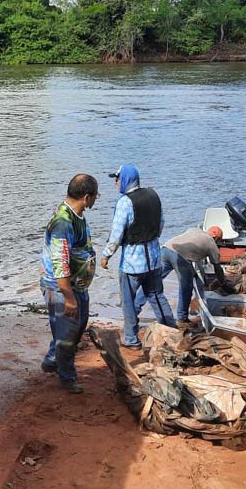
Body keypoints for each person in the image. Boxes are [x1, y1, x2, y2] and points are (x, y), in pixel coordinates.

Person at [100, 164, 174, 350]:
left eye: (117, 179)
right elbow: (161, 223)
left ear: (125, 179)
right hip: (154, 258)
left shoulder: (125, 202)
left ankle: (131, 339)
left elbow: (116, 234)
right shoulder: (153, 196)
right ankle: (171, 332)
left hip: (132, 263)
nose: (116, 183)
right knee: (157, 296)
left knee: (128, 302)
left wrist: (106, 255)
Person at [40, 174, 98, 394]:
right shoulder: (64, 223)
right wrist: (69, 297)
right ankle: (67, 377)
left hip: (77, 285)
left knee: (77, 326)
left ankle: (52, 360)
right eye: (96, 196)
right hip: (62, 287)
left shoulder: (77, 215)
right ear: (86, 197)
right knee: (68, 334)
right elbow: (60, 263)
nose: (96, 199)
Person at [153, 226, 227, 328]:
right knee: (186, 287)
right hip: (179, 256)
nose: (217, 243)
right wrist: (223, 283)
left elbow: (190, 251)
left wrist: (196, 275)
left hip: (165, 249)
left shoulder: (195, 230)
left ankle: (135, 307)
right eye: (219, 240)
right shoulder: (211, 243)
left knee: (152, 283)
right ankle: (182, 318)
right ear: (215, 236)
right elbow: (217, 268)